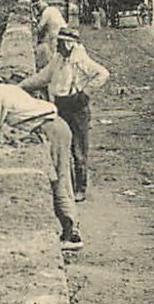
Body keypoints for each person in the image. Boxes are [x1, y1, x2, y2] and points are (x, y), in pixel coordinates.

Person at [0, 59, 83, 251]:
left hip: (51, 130)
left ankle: (73, 233)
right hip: (55, 125)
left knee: (58, 181)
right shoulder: (7, 90)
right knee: (60, 179)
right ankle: (70, 229)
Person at [21, 27, 109, 200]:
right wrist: (21, 86)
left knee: (78, 148)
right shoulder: (58, 59)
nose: (58, 45)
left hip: (76, 108)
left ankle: (81, 188)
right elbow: (42, 77)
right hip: (61, 106)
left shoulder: (80, 59)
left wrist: (85, 93)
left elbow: (103, 74)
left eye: (61, 43)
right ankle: (65, 185)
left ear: (69, 44)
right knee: (61, 146)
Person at [32, 0, 66, 69]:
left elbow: (40, 27)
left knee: (54, 52)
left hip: (56, 33)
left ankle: (55, 68)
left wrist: (35, 23)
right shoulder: (53, 9)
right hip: (64, 30)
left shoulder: (45, 13)